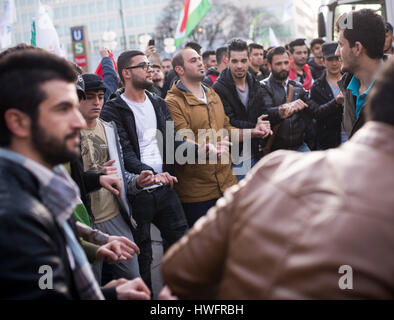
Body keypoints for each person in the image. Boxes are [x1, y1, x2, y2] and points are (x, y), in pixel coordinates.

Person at [162, 56, 394, 300]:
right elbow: (173, 144)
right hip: (198, 186)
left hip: (225, 179)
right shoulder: (176, 100)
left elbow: (180, 270)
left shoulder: (274, 168)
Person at [0, 48, 152, 300]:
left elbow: (48, 283)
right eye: (62, 109)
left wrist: (98, 246)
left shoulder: (36, 191)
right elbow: (46, 288)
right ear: (18, 122)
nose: (79, 122)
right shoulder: (17, 218)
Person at [100, 50, 189, 290]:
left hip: (166, 187)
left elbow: (173, 140)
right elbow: (124, 152)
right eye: (142, 65)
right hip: (138, 193)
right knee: (145, 257)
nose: (149, 69)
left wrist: (202, 149)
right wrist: (148, 173)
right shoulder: (112, 110)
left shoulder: (158, 102)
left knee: (186, 247)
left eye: (149, 64)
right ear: (126, 73)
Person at [165, 48, 271, 226]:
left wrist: (254, 131)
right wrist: (206, 148)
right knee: (206, 250)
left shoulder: (212, 94)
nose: (200, 62)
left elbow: (226, 129)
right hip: (198, 193)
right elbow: (180, 145)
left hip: (226, 184)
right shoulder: (172, 102)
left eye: (199, 59)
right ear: (179, 70)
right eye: (193, 60)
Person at [73, 73, 160, 284]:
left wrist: (138, 181)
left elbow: (120, 175)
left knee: (133, 279)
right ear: (77, 98)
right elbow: (69, 182)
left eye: (101, 96)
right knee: (91, 286)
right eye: (90, 97)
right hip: (85, 220)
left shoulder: (109, 128)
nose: (97, 102)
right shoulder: (68, 133)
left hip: (115, 216)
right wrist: (97, 178)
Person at [213, 39, 274, 180]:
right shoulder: (219, 88)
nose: (239, 66)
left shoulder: (254, 83)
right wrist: (256, 127)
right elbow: (229, 122)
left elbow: (262, 112)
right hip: (236, 155)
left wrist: (265, 123)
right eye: (234, 61)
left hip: (257, 151)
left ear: (249, 60)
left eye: (243, 60)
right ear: (227, 61)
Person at [261, 46, 341, 153]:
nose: (283, 67)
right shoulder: (263, 87)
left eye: (286, 63)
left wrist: (336, 102)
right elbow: (265, 114)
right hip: (275, 149)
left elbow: (315, 111)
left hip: (299, 146)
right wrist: (284, 109)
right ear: (269, 66)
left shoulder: (297, 87)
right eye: (278, 64)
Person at [335, 9, 386, 138]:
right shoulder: (348, 86)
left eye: (341, 45)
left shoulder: (389, 90)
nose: (336, 53)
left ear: (357, 48)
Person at [310, 43, 345, 150]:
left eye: (337, 59)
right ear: (323, 61)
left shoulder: (351, 81)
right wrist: (336, 102)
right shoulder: (317, 86)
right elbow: (316, 113)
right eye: (330, 60)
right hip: (327, 141)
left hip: (350, 137)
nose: (334, 63)